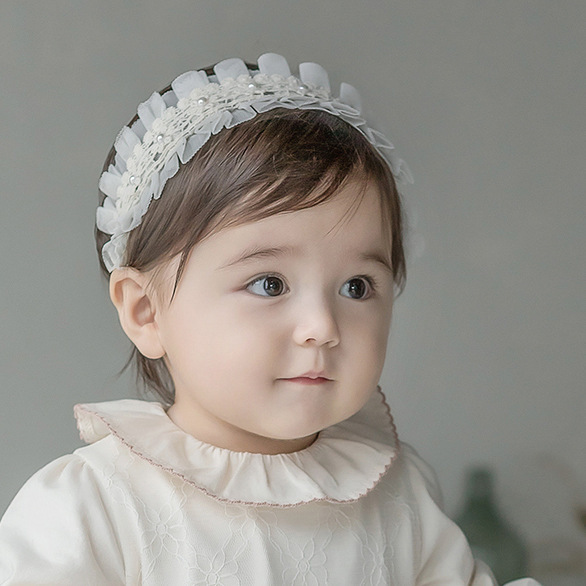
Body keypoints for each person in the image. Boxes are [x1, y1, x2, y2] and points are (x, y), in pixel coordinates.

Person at [0, 53, 540, 585]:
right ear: (146, 312)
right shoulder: (93, 510)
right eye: (269, 284)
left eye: (356, 287)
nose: (322, 327)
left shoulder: (400, 496)